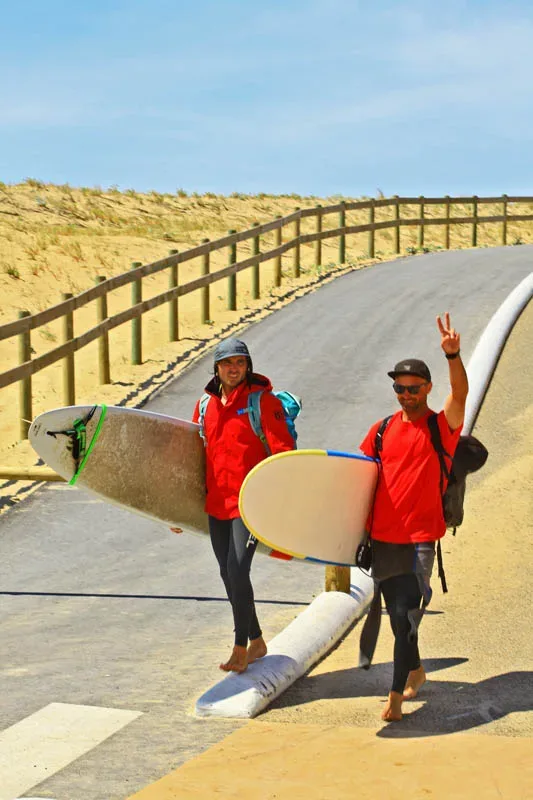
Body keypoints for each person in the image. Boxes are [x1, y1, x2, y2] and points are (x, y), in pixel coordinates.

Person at [358, 312, 468, 722]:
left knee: (405, 614)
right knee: (398, 618)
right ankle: (417, 670)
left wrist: (453, 356)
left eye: (413, 388)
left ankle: (395, 698)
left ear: (427, 389)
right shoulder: (382, 430)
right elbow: (358, 480)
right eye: (400, 388)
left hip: (420, 539)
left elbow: (460, 394)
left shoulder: (441, 427)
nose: (405, 394)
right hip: (383, 540)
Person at [190, 337, 294, 674]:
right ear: (217, 368)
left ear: (248, 366)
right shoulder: (205, 405)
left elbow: (283, 454)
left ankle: (240, 647)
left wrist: (279, 503)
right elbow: (194, 458)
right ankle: (257, 639)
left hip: (251, 502)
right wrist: (177, 508)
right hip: (217, 503)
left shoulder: (262, 402)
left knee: (237, 569)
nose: (234, 369)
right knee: (226, 572)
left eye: (239, 363)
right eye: (227, 363)